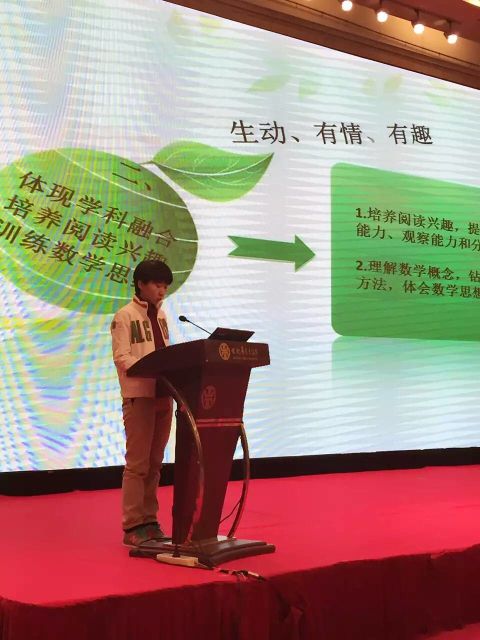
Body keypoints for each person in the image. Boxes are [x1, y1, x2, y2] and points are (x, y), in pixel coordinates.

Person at [110, 259, 174, 547]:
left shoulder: (162, 316)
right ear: (140, 284)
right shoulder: (124, 316)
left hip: (164, 395)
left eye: (165, 286)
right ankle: (133, 524)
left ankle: (150, 520)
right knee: (138, 464)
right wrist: (150, 369)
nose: (162, 291)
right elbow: (121, 357)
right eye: (157, 285)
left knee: (155, 463)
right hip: (139, 396)